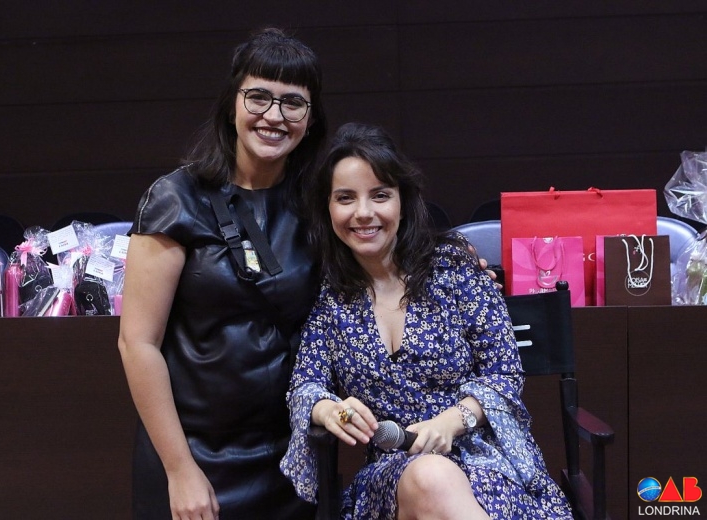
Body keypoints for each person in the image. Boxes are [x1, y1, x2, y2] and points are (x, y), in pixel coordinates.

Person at [280, 122, 574, 519]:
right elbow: (305, 385)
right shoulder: (331, 296)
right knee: (431, 477)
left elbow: (504, 374)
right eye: (345, 198)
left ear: (403, 201)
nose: (363, 213)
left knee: (439, 481)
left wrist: (452, 421)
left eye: (380, 195)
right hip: (393, 473)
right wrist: (328, 409)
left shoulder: (454, 269)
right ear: (328, 208)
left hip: (486, 462)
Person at [117, 28, 326, 519]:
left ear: (311, 118)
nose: (274, 116)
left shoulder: (318, 200)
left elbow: (384, 243)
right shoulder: (176, 198)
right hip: (192, 454)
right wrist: (179, 469)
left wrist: (452, 255)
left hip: (293, 457)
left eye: (293, 103)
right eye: (258, 97)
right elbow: (137, 343)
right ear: (232, 103)